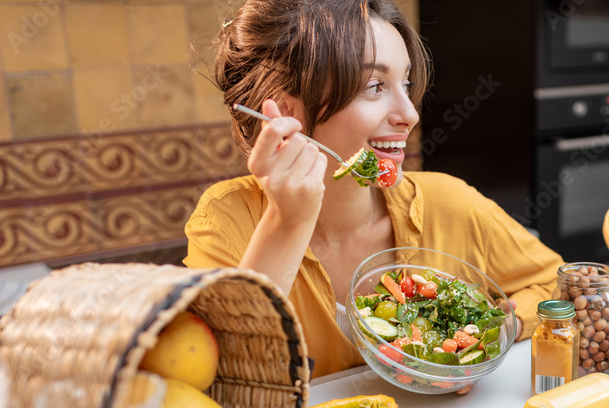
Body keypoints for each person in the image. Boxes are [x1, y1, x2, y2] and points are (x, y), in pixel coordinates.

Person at [184, 0, 564, 379]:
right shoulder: (226, 221)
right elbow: (218, 379)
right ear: (287, 114)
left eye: (407, 83)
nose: (410, 114)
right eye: (375, 86)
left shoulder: (448, 202)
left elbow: (560, 285)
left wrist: (485, 340)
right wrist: (286, 222)